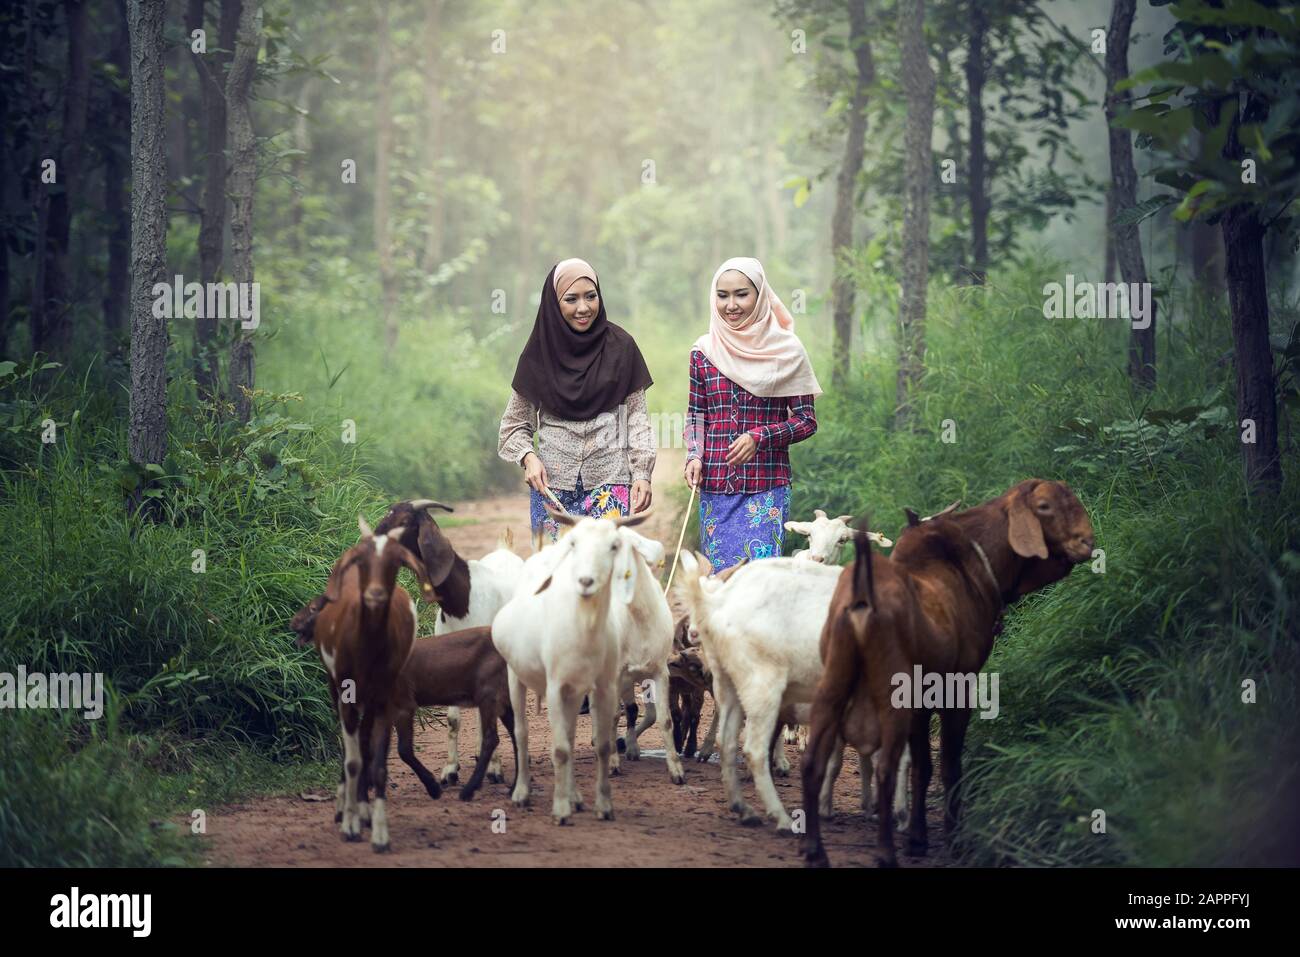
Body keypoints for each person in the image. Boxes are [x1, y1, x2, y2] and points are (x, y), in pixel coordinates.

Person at [499, 258, 656, 549]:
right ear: (554, 304)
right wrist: (528, 458)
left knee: (603, 573)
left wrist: (643, 473)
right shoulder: (537, 355)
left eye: (591, 296)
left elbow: (637, 420)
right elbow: (514, 426)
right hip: (552, 490)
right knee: (555, 576)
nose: (583, 308)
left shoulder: (622, 347)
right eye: (571, 299)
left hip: (610, 482)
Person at [683, 257, 821, 572]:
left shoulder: (787, 351)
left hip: (767, 486)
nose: (731, 305)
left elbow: (806, 421)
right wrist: (693, 454)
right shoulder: (703, 352)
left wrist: (759, 437)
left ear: (760, 296)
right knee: (720, 583)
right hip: (715, 486)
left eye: (741, 294)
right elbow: (696, 415)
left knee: (758, 581)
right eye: (723, 295)